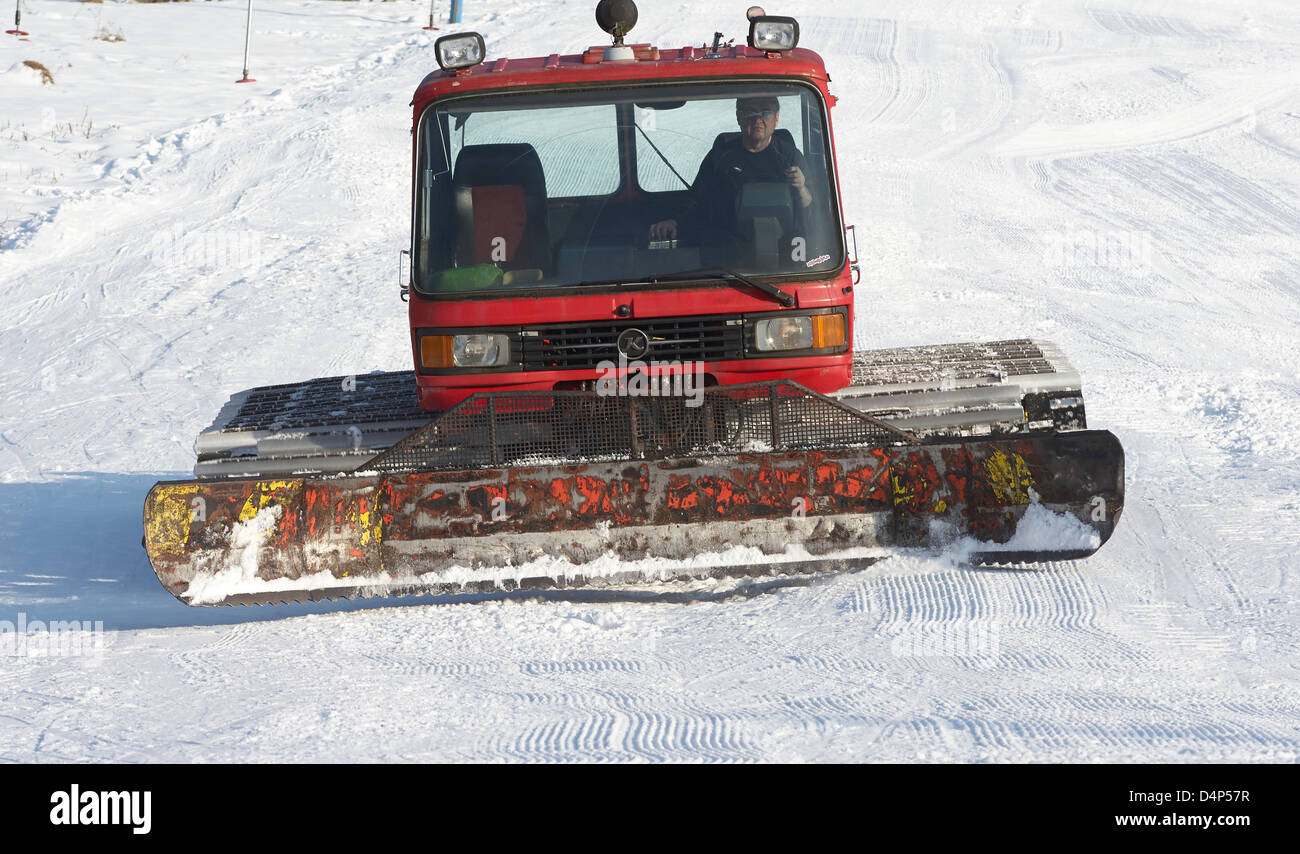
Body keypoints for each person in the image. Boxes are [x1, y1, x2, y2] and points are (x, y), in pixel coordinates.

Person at [648, 96, 814, 249]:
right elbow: (697, 198)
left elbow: (811, 207)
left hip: (782, 246)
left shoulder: (789, 156)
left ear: (776, 118)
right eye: (750, 112)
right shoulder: (721, 155)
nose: (758, 119)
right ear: (738, 117)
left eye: (766, 112)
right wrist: (675, 221)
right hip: (729, 250)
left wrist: (801, 187)